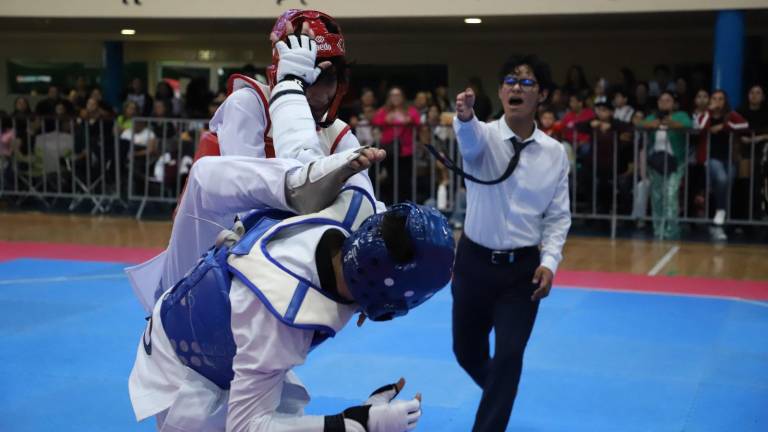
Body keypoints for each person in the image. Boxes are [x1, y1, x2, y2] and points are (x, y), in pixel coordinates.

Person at [451, 55, 571, 432]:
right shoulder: (482, 135)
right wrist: (466, 116)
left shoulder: (555, 154)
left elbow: (557, 217)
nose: (515, 87)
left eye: (526, 82)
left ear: (543, 96)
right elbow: (467, 140)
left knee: (508, 357)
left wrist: (550, 262)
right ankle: (502, 392)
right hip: (472, 264)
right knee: (467, 353)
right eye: (509, 81)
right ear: (501, 91)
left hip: (522, 273)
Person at [695, 89, 749, 240]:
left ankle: (718, 224)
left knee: (725, 189)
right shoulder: (706, 115)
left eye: (721, 99)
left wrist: (724, 126)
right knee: (722, 179)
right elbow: (701, 128)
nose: (717, 102)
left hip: (730, 157)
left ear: (725, 102)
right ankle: (720, 212)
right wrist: (708, 112)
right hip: (711, 156)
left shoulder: (731, 115)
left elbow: (744, 125)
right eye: (715, 98)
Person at [640, 91, 692, 240]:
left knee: (671, 194)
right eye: (661, 100)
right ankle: (659, 230)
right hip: (656, 161)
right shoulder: (653, 117)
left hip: (675, 161)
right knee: (657, 196)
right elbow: (640, 125)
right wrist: (651, 124)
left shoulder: (680, 115)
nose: (664, 103)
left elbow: (689, 126)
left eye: (668, 100)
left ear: (674, 103)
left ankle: (672, 230)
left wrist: (671, 123)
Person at [372, 86, 421, 203]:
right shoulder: (384, 110)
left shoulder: (409, 110)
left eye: (398, 95)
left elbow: (417, 120)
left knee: (405, 179)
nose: (395, 98)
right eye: (393, 95)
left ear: (402, 97)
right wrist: (386, 120)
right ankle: (390, 204)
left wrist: (408, 119)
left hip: (406, 150)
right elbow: (375, 121)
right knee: (390, 178)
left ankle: (405, 204)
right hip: (389, 149)